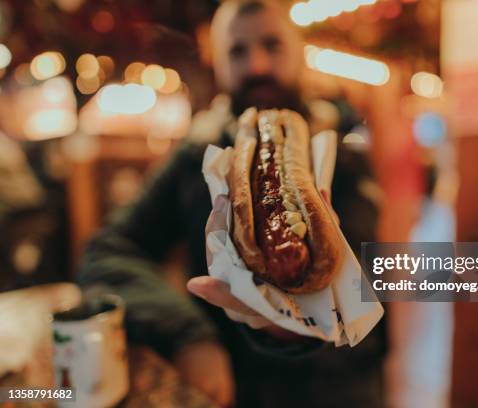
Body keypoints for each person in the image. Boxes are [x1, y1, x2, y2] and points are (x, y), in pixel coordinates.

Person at [79, 1, 421, 407]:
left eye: (272, 45)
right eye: (238, 51)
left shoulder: (348, 149)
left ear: (298, 52)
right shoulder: (192, 158)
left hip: (341, 392)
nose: (257, 64)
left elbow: (372, 283)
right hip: (231, 393)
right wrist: (189, 335)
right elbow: (106, 253)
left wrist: (294, 326)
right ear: (217, 62)